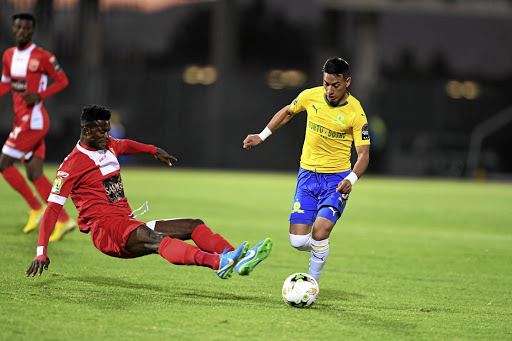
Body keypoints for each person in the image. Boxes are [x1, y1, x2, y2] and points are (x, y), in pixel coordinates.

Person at [26, 104, 273, 279]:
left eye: (108, 130)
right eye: (102, 131)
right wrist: (41, 251)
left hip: (125, 221)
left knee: (193, 225)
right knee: (160, 241)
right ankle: (219, 263)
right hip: (106, 230)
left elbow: (126, 145)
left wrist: (153, 149)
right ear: (86, 131)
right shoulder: (71, 166)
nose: (108, 136)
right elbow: (52, 210)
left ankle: (237, 259)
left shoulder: (108, 145)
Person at [243, 57, 370, 282]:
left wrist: (351, 179)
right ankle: (320, 250)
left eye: (336, 85)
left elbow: (363, 155)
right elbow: (288, 112)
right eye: (326, 84)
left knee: (320, 232)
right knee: (298, 242)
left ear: (347, 82)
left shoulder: (356, 113)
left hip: (336, 181)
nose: (330, 90)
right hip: (307, 176)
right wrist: (262, 135)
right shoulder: (310, 96)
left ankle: (312, 283)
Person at [0, 13, 75, 240]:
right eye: (18, 28)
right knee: (35, 173)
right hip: (20, 118)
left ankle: (35, 206)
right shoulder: (9, 55)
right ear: (14, 30)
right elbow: (5, 84)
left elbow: (63, 81)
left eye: (26, 28)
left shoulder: (42, 56)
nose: (22, 31)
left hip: (33, 121)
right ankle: (63, 220)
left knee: (4, 163)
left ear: (32, 31)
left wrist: (40, 95)